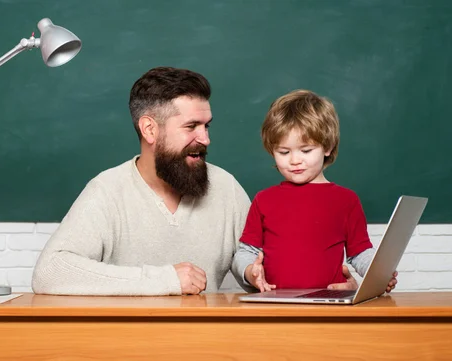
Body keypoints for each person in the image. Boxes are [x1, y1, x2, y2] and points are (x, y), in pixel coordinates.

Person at [31, 66, 251, 295]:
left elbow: (257, 264)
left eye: (207, 126)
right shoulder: (107, 191)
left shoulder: (226, 188)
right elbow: (50, 272)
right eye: (191, 126)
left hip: (205, 332)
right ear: (149, 129)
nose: (205, 139)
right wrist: (165, 280)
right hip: (127, 332)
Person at [232, 89, 398, 293]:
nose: (294, 160)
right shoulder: (264, 199)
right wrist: (250, 272)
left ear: (327, 147)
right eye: (284, 152)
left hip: (329, 302)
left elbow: (360, 252)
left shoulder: (346, 200)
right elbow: (246, 252)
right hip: (274, 302)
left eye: (306, 150)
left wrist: (380, 274)